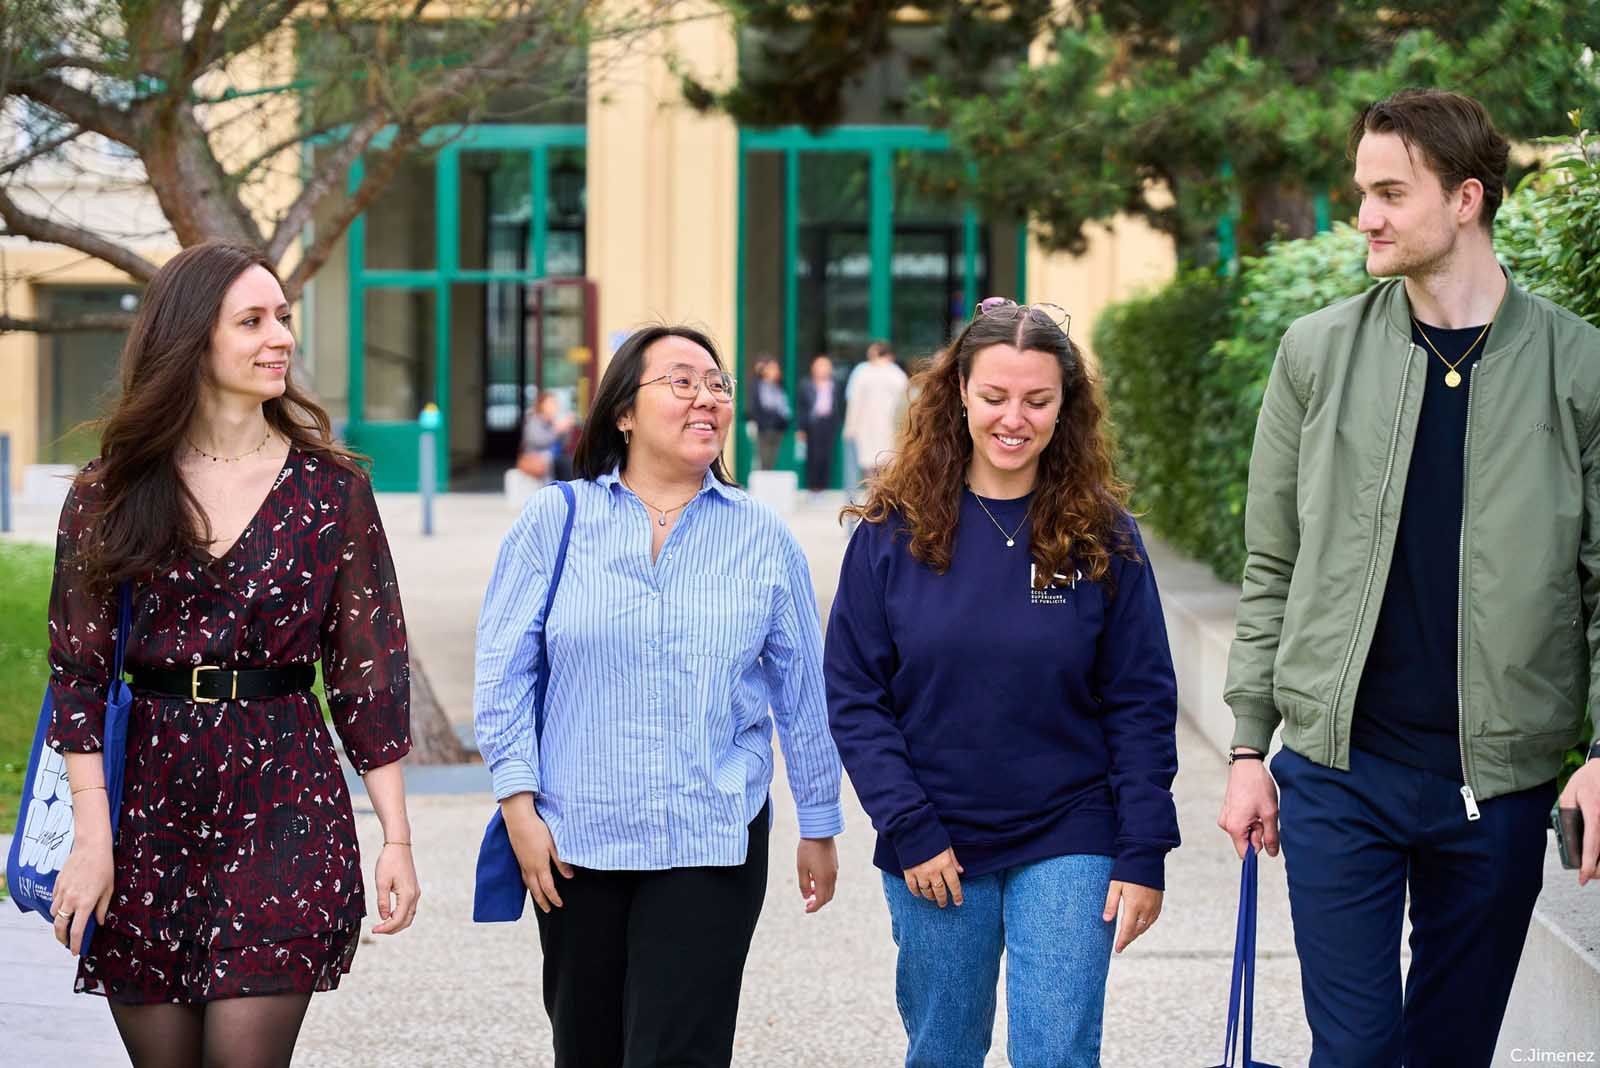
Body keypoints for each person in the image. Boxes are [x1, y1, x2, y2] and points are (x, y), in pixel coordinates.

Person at [1218, 89, 1600, 1067]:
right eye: (1361, 193)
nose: (1366, 218)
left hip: (1500, 786)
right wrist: (1247, 749)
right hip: (1340, 772)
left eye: (1390, 193)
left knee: (1446, 1054)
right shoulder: (1314, 354)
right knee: (1350, 1053)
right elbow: (1272, 562)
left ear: (1465, 198)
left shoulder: (1577, 368)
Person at [44, 242, 418, 1067]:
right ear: (190, 341)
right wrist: (93, 838)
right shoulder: (110, 491)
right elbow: (77, 673)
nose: (279, 336)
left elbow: (369, 675)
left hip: (285, 792)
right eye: (252, 321)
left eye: (282, 317)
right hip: (146, 804)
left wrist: (395, 837)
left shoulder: (333, 490)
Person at [474, 325, 844, 1068]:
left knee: (679, 1052)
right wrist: (519, 808)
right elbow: (501, 671)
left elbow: (804, 692)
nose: (706, 397)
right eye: (681, 381)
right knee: (588, 1050)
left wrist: (819, 822)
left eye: (717, 384)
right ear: (624, 411)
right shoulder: (557, 520)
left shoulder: (762, 537)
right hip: (576, 840)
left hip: (711, 833)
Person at [826, 297, 1180, 1068]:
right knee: (944, 1048)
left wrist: (1144, 846)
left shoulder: (1102, 534)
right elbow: (855, 697)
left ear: (1066, 407)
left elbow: (1141, 699)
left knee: (1057, 1051)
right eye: (994, 397)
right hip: (935, 837)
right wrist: (908, 825)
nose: (1013, 418)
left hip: (1072, 829)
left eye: (1037, 399)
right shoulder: (893, 531)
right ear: (958, 393)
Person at [842, 340, 910, 483]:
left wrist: (849, 427)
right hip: (880, 428)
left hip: (873, 428)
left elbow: (853, 401)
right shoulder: (896, 374)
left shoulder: (862, 371)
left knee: (871, 467)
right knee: (883, 466)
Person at [796, 353, 845, 493]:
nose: (823, 369)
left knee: (826, 456)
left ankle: (824, 487)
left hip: (829, 423)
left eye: (826, 366)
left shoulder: (835, 385)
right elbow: (801, 407)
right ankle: (813, 487)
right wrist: (801, 428)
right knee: (813, 456)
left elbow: (840, 405)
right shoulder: (806, 384)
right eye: (820, 366)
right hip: (813, 423)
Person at [745, 356, 792, 470]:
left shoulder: (780, 386)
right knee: (762, 458)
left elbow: (784, 407)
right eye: (771, 368)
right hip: (763, 427)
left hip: (777, 427)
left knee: (772, 458)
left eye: (776, 369)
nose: (774, 372)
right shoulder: (757, 385)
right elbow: (754, 406)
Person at [518, 390, 576, 482]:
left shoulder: (554, 421)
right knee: (565, 465)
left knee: (571, 462)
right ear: (542, 405)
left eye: (555, 404)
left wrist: (566, 429)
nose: (554, 407)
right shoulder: (534, 421)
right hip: (537, 457)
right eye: (551, 403)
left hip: (554, 457)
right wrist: (557, 430)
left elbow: (565, 443)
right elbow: (538, 441)